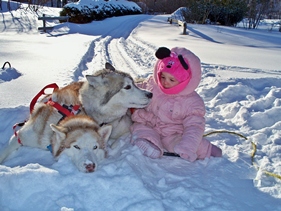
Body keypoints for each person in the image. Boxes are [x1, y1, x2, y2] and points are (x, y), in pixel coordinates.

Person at [130, 47, 222, 162]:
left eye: (171, 80)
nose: (165, 82)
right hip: (148, 123)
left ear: (185, 80)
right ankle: (149, 145)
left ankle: (207, 149)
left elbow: (194, 126)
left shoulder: (192, 102)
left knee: (185, 144)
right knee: (140, 130)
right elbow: (137, 91)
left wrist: (188, 145)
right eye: (162, 77)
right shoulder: (152, 85)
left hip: (172, 132)